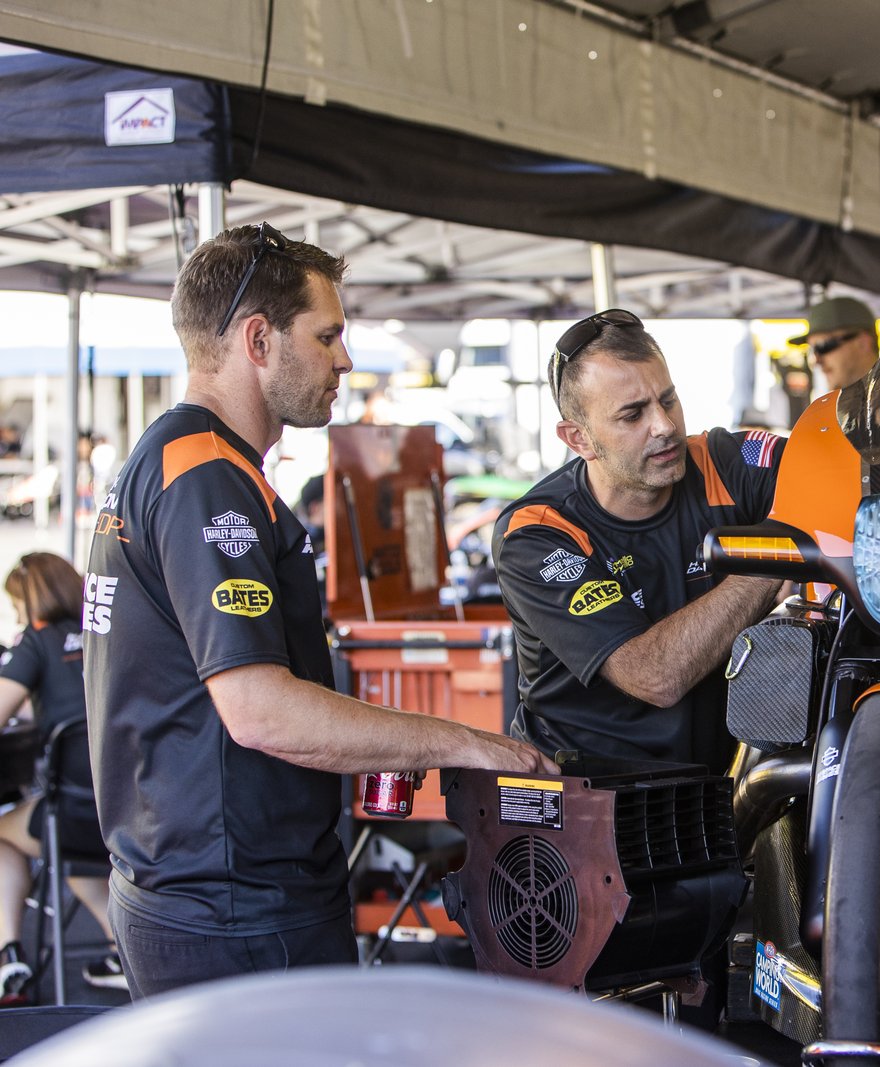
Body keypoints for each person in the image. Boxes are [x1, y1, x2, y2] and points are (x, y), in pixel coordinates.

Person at [82, 223, 555, 1000]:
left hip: (205, 891)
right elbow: (259, 710)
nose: (345, 359)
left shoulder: (185, 462)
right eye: (328, 334)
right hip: (234, 909)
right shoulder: (205, 477)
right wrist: (466, 744)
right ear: (258, 339)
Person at [494, 309, 786, 772]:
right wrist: (771, 563)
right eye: (633, 414)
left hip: (709, 787)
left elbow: (827, 476)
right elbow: (655, 676)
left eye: (667, 400)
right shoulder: (538, 532)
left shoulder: (725, 459)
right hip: (588, 800)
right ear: (579, 439)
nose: (665, 425)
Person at [0, 552, 124, 1003]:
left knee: (6, 833)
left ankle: (7, 954)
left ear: (29, 603)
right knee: (69, 855)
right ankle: (122, 948)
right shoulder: (109, 632)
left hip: (75, 818)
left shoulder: (34, 644)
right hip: (137, 808)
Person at [792, 295, 879, 392]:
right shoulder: (840, 405)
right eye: (812, 350)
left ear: (863, 343)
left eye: (823, 346)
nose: (817, 360)